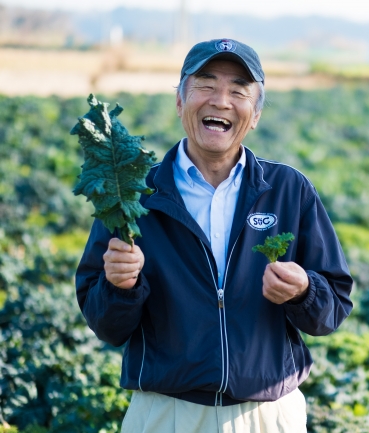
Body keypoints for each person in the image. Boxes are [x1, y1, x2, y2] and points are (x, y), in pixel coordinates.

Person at [75, 38, 354, 433]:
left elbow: (334, 308)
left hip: (268, 415)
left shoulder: (289, 189)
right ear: (179, 101)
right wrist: (121, 287)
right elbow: (106, 324)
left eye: (238, 90)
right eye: (205, 85)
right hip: (165, 414)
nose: (221, 101)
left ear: (254, 115)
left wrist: (304, 290)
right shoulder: (133, 194)